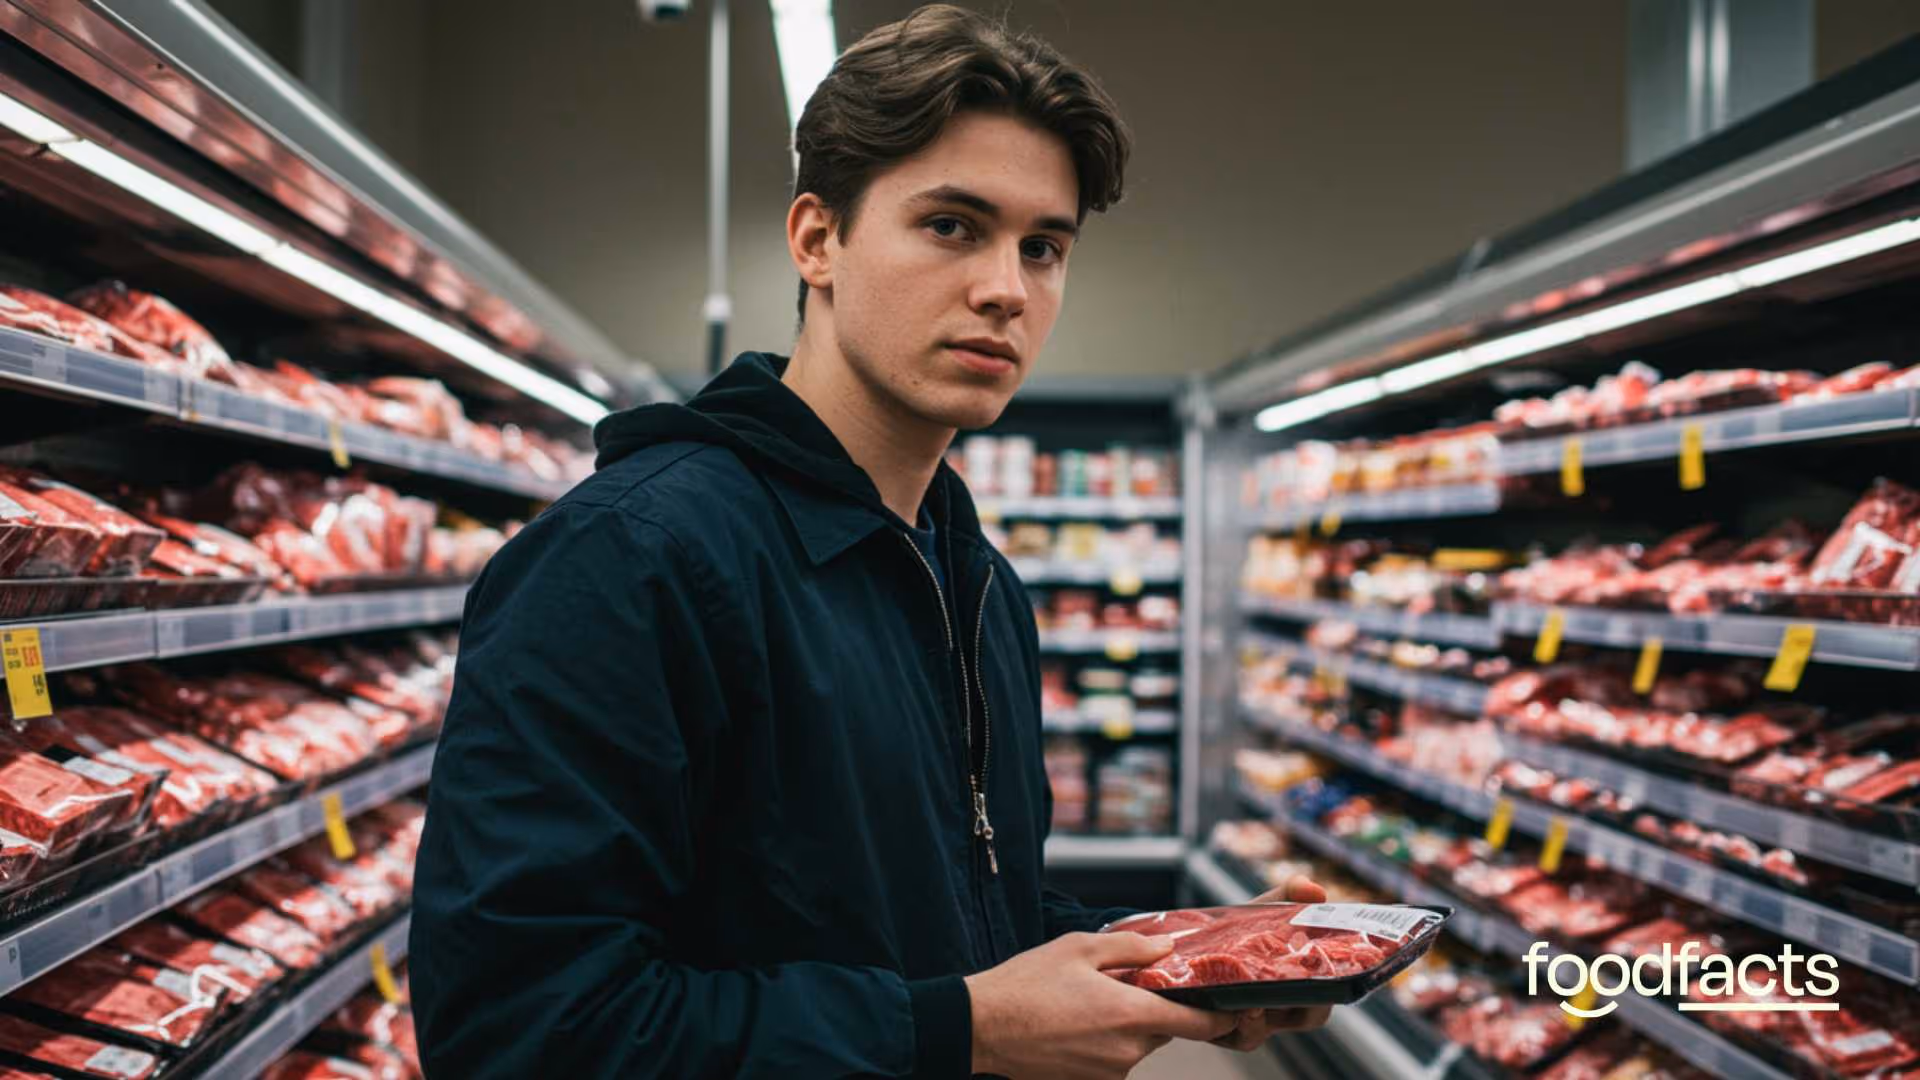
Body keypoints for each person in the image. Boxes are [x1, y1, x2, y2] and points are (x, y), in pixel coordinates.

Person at [410, 6, 1328, 1077]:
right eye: (952, 226)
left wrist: (1184, 955)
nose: (1006, 288)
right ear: (817, 240)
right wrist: (964, 1030)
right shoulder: (626, 561)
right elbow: (519, 1031)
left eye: (1043, 247)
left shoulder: (975, 581)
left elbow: (947, 925)